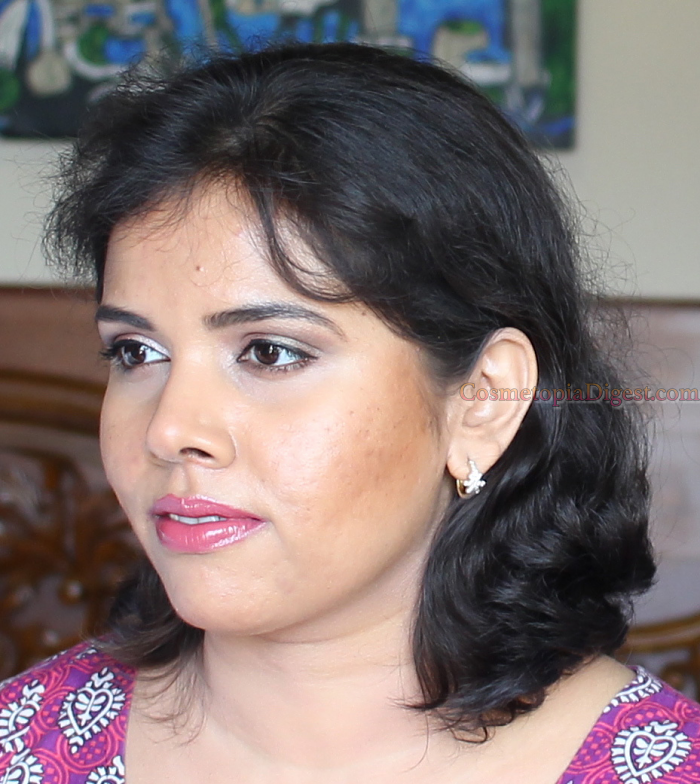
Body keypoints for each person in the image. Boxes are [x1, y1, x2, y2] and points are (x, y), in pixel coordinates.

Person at [1, 42, 698, 784]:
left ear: (483, 401)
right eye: (136, 352)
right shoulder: (24, 746)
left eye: (270, 352)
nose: (170, 430)